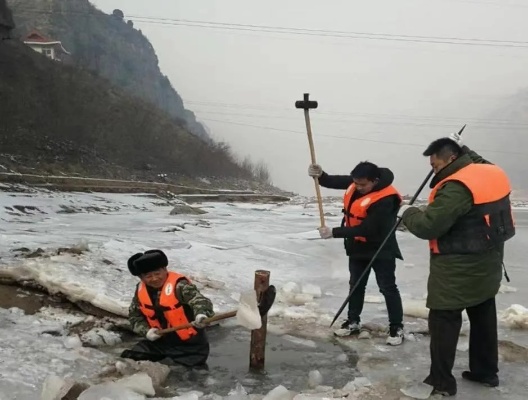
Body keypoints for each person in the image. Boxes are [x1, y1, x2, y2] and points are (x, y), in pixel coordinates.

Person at [399, 132, 515, 396]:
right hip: (489, 262)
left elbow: (430, 226)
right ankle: (486, 372)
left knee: (443, 320)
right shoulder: (490, 170)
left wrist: (408, 212)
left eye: (435, 165)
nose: (433, 171)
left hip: (457, 268)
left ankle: (441, 381)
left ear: (451, 159)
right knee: (484, 314)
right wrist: (464, 146)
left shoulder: (457, 187)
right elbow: (473, 158)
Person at [308, 161, 405, 345]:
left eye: (363, 185)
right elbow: (330, 181)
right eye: (356, 183)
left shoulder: (386, 199)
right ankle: (353, 322)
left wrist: (334, 232)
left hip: (381, 248)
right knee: (356, 285)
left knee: (387, 287)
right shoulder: (357, 183)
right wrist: (320, 174)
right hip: (358, 247)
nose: (358, 187)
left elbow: (368, 229)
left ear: (374, 181)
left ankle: (396, 327)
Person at [120, 249, 215, 367]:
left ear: (165, 270)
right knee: (130, 359)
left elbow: (200, 301)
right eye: (148, 276)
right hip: (159, 341)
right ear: (141, 278)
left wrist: (202, 314)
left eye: (157, 273)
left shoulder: (180, 286)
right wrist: (146, 331)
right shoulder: (140, 290)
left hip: (189, 344)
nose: (154, 279)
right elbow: (134, 316)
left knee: (191, 375)